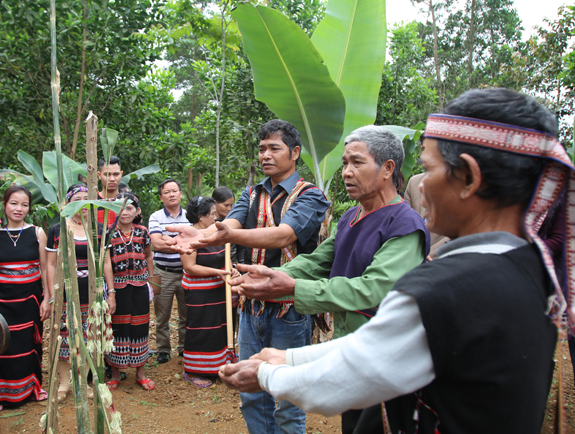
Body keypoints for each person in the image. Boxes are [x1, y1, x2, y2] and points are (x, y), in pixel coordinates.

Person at [220, 88, 569, 433]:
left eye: (428, 170)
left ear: (467, 177)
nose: (421, 186)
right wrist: (289, 351)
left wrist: (267, 372)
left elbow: (355, 371)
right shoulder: (532, 270)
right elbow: (372, 341)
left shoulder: (443, 290)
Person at [226, 125, 429, 432]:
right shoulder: (351, 217)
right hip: (348, 346)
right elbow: (317, 262)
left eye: (356, 163)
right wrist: (271, 275)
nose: (347, 172)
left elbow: (372, 289)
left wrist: (292, 288)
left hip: (385, 353)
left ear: (387, 168)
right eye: (345, 163)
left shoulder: (404, 224)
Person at [168, 119, 330, 434]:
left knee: (287, 399)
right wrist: (202, 237)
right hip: (251, 306)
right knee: (251, 394)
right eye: (261, 149)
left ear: (295, 153)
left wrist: (220, 237)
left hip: (289, 309)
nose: (265, 155)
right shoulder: (251, 193)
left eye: (274, 148)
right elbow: (231, 226)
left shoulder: (311, 196)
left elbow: (283, 235)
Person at [46, 183, 115, 401]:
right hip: (66, 293)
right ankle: (64, 384)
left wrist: (110, 292)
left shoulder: (99, 230)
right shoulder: (57, 230)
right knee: (66, 338)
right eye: (78, 198)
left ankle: (82, 382)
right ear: (68, 202)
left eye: (88, 198)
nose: (84, 202)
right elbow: (49, 265)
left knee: (89, 338)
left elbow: (106, 263)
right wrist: (51, 295)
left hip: (92, 294)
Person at [0, 185, 50, 406]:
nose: (19, 209)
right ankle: (1, 395)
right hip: (1, 302)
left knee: (28, 345)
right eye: (14, 203)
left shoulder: (36, 233)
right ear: (4, 205)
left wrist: (47, 298)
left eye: (24, 205)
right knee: (2, 346)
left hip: (29, 300)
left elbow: (44, 268)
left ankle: (31, 388)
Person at [180, 196, 237, 388]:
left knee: (219, 328)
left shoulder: (215, 233)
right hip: (199, 292)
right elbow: (190, 267)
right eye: (212, 214)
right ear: (200, 217)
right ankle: (193, 369)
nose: (215, 218)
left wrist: (232, 268)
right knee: (200, 328)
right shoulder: (189, 236)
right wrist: (217, 272)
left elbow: (226, 257)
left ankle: (218, 366)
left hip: (219, 290)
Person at [105, 192, 155, 391]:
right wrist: (110, 292)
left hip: (140, 287)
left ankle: (140, 374)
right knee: (117, 329)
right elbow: (106, 262)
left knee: (140, 328)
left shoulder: (143, 232)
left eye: (129, 208)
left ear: (137, 211)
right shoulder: (108, 232)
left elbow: (149, 256)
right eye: (120, 207)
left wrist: (150, 281)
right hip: (118, 289)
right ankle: (116, 374)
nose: (124, 212)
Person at [148, 179, 191, 364]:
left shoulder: (191, 216)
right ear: (161, 197)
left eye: (175, 191)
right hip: (162, 271)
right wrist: (181, 242)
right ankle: (163, 349)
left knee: (186, 313)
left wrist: (168, 239)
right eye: (167, 192)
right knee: (162, 313)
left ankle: (183, 348)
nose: (171, 194)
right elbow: (156, 244)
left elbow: (195, 242)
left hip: (186, 271)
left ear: (181, 194)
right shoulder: (156, 217)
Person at [405, 172, 448, 257]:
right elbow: (404, 223)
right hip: (411, 255)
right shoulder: (414, 182)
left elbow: (463, 230)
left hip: (442, 257)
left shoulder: (459, 183)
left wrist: (427, 254)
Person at [97, 156, 124, 225]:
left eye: (116, 174)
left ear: (121, 174)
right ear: (99, 175)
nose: (112, 179)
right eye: (107, 174)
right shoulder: (92, 201)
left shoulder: (127, 201)